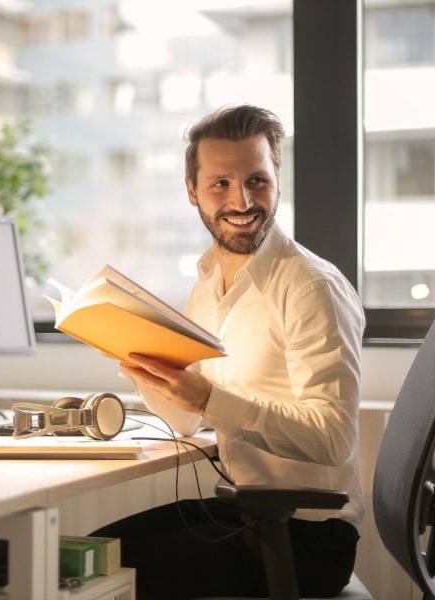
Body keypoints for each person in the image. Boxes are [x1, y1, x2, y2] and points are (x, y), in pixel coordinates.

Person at [91, 104, 365, 599]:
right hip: (247, 512)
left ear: (277, 182)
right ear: (192, 192)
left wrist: (207, 399)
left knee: (94, 578)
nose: (242, 200)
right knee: (89, 553)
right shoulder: (208, 281)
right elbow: (187, 422)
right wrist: (143, 368)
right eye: (220, 184)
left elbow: (333, 437)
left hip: (308, 537)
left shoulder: (310, 287)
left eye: (257, 180)